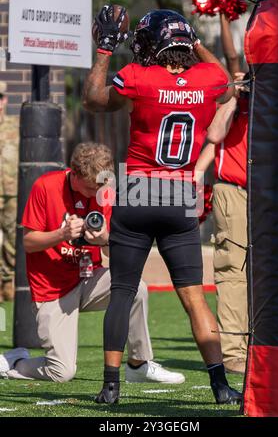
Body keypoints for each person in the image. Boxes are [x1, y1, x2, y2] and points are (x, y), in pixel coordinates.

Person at [83, 5, 242, 405]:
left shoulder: (139, 76)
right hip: (179, 195)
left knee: (121, 291)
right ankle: (220, 386)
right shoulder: (209, 79)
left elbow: (94, 100)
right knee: (193, 297)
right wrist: (195, 40)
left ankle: (110, 386)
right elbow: (224, 81)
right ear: (186, 43)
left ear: (152, 45)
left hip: (139, 189)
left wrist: (104, 49)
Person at [0, 142, 184, 385]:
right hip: (52, 290)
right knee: (62, 372)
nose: (95, 192)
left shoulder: (103, 192)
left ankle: (138, 365)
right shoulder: (45, 185)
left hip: (89, 278)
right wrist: (62, 234)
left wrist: (105, 239)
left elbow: (110, 252)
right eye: (90, 187)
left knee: (135, 288)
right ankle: (14, 362)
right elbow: (29, 243)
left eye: (100, 185)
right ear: (73, 174)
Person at [195, 13, 249, 374]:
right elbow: (214, 136)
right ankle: (234, 352)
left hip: (277, 193)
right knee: (233, 269)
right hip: (234, 189)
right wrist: (233, 98)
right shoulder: (236, 96)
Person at [0, 81, 19, 302]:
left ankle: (7, 282)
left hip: (12, 193)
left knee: (12, 240)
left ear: (4, 100)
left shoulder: (16, 126)